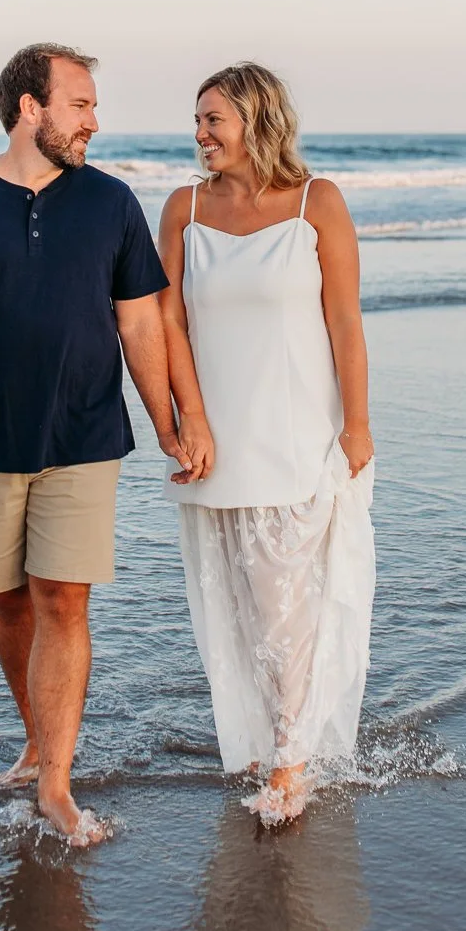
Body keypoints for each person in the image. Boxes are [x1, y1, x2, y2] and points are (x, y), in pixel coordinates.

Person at [0, 42, 198, 847]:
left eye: (92, 106)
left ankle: (56, 783)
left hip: (86, 431)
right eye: (81, 104)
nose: (94, 120)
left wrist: (165, 422)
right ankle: (36, 733)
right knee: (8, 600)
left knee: (63, 598)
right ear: (31, 108)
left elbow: (138, 321)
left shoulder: (110, 203)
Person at [159, 62, 376, 826]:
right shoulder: (182, 208)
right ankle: (262, 742)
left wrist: (356, 425)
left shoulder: (319, 201)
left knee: (284, 600)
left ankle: (291, 762)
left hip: (301, 433)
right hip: (217, 437)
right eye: (197, 120)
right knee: (238, 602)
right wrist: (188, 418)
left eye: (213, 119)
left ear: (256, 120)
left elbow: (345, 322)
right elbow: (167, 324)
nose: (199, 134)